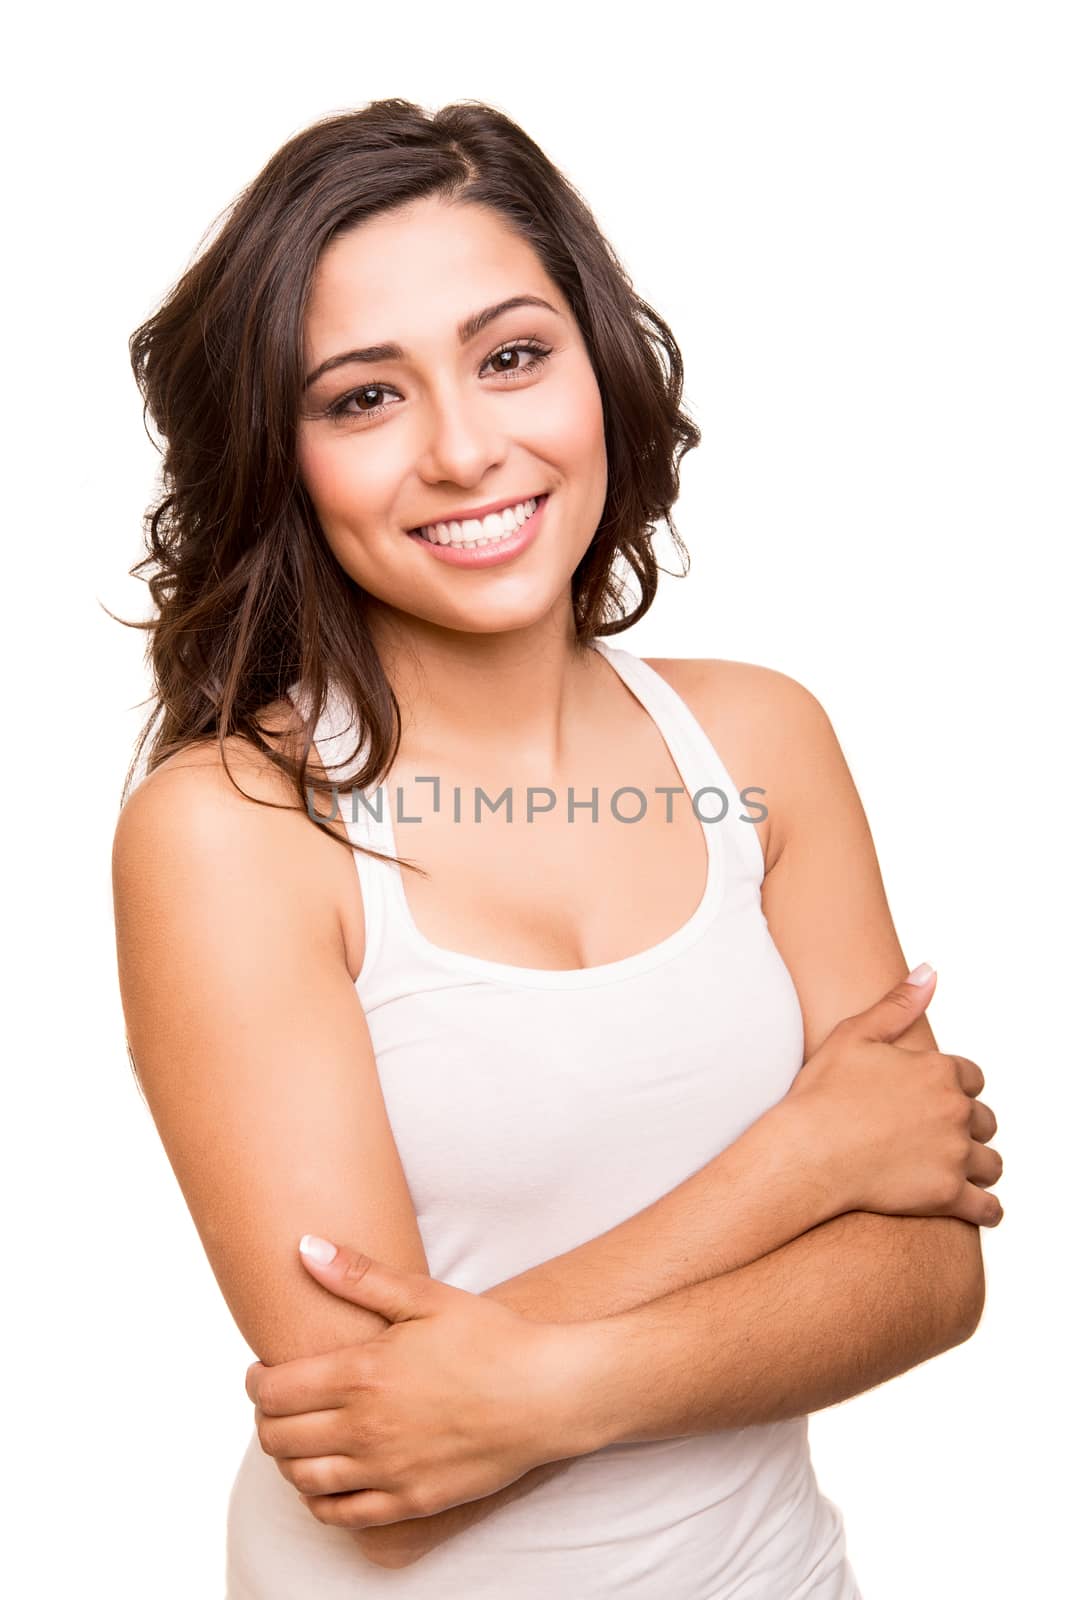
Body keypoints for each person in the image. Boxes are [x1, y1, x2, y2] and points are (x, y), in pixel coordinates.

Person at [111, 99, 1004, 1598]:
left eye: (513, 356)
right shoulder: (231, 831)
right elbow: (379, 1468)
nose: (468, 449)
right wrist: (798, 1163)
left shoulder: (763, 744)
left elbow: (932, 1271)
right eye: (362, 398)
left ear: (600, 367)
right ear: (282, 456)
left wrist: (532, 1387)